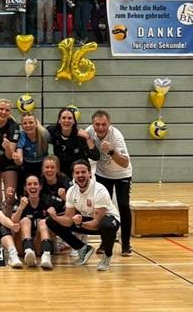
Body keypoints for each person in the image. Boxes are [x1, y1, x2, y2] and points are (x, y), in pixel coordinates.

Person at [45, 159, 121, 271]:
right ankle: (82, 249)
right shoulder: (71, 191)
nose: (80, 175)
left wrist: (80, 224)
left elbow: (96, 223)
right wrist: (55, 217)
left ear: (89, 173)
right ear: (73, 175)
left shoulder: (100, 190)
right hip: (86, 220)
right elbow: (68, 219)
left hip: (105, 221)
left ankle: (107, 256)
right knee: (51, 221)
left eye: (83, 172)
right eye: (77, 173)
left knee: (107, 225)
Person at [86, 110, 133, 257]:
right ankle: (105, 242)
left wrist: (111, 151)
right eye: (97, 124)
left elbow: (125, 163)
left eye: (104, 124)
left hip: (122, 174)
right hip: (102, 174)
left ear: (109, 123)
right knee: (102, 207)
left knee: (123, 205)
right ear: (93, 124)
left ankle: (126, 244)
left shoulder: (116, 136)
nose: (100, 128)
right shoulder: (89, 132)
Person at [10, 174, 56, 269]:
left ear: (40, 187)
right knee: (25, 220)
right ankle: (29, 250)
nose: (32, 186)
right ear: (25, 188)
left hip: (39, 244)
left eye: (35, 184)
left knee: (43, 222)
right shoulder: (20, 201)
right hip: (21, 245)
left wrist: (53, 215)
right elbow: (13, 222)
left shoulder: (47, 201)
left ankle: (46, 255)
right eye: (29, 184)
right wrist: (20, 208)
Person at [47, 107, 99, 173]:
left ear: (74, 121)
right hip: (62, 172)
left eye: (69, 118)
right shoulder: (52, 131)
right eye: (63, 118)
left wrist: (87, 137)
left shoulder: (80, 136)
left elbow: (95, 156)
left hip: (79, 172)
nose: (66, 121)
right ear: (59, 120)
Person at [14, 113, 50, 186]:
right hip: (27, 165)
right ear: (22, 126)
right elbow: (20, 161)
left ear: (36, 124)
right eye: (25, 123)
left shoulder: (44, 134)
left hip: (42, 164)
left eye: (31, 122)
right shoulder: (22, 136)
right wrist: (17, 159)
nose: (28, 125)